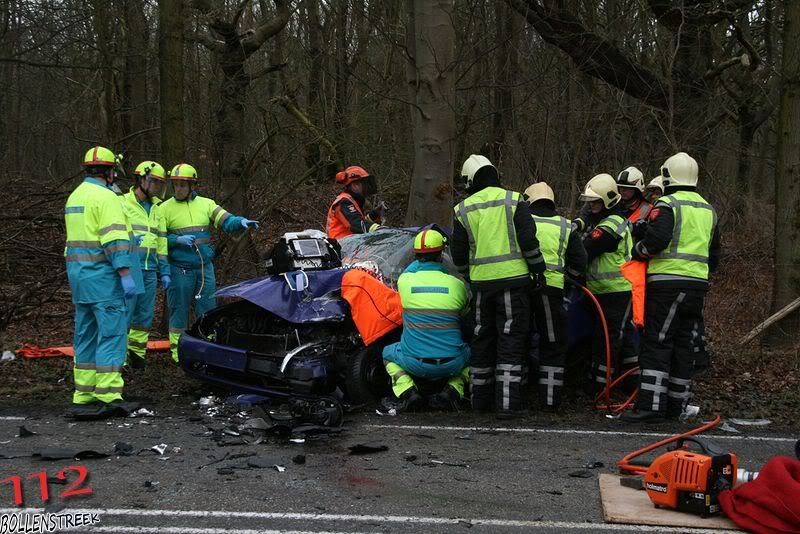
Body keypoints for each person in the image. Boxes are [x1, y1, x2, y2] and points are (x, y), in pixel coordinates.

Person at [622, 152, 720, 423]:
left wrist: (639, 247)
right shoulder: (707, 209)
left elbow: (657, 241)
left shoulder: (667, 204)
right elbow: (715, 256)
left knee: (657, 342)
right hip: (697, 287)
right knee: (683, 344)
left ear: (667, 175)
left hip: (666, 285)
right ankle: (675, 406)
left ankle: (650, 407)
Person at [451, 154, 546, 417]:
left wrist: (468, 276)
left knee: (482, 339)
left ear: (470, 180)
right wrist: (538, 271)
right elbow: (528, 241)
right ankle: (507, 404)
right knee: (511, 341)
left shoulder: (463, 209)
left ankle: (479, 401)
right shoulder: (514, 201)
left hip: (482, 286)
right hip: (514, 284)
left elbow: (458, 254)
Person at [159, 163, 260, 363]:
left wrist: (240, 222)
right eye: (175, 185)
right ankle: (177, 352)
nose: (178, 189)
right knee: (178, 309)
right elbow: (157, 240)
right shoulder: (163, 209)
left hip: (204, 268)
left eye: (182, 185)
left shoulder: (206, 204)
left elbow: (226, 220)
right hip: (179, 268)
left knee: (207, 309)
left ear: (191, 186)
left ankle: (206, 347)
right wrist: (174, 240)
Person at [65, 146, 136, 406]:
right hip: (103, 279)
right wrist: (125, 274)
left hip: (79, 280)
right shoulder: (106, 198)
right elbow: (114, 240)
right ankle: (107, 392)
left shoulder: (74, 196)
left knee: (84, 334)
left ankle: (83, 392)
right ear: (109, 171)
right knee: (112, 334)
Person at [382, 228, 471, 412]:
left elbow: (409, 270)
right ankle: (453, 390)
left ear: (416, 256)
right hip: (452, 363)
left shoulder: (405, 281)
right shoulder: (457, 285)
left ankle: (407, 391)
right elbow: (464, 317)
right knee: (476, 354)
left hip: (414, 363)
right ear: (441, 255)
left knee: (386, 353)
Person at [522, 182, 587, 410]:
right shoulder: (566, 226)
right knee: (552, 344)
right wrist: (569, 279)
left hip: (522, 289)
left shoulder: (521, 221)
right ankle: (549, 400)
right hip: (552, 292)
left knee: (518, 341)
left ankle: (517, 397)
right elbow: (580, 261)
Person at [578, 174, 636, 391]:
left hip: (617, 291)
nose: (591, 205)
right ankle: (631, 382)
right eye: (590, 202)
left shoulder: (612, 223)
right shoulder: (601, 219)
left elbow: (588, 249)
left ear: (608, 200)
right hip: (602, 291)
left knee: (609, 339)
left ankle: (601, 387)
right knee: (621, 336)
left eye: (595, 202)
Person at [121, 161, 171, 369]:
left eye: (159, 183)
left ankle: (137, 353)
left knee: (144, 316)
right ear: (141, 179)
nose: (156, 187)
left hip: (150, 269)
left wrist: (165, 271)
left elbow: (161, 242)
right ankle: (120, 358)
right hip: (130, 268)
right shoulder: (122, 203)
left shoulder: (157, 208)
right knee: (125, 314)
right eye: (153, 182)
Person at [326, 166, 384, 239]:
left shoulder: (352, 200)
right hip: (342, 246)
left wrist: (374, 214)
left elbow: (359, 221)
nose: (367, 187)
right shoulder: (344, 202)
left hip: (349, 244)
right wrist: (381, 230)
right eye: (365, 184)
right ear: (355, 186)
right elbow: (356, 224)